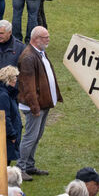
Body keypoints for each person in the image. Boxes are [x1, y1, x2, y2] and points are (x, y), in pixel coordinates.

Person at [16, 27, 61, 181]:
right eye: (45, 37)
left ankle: (29, 165)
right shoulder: (29, 57)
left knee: (37, 135)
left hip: (43, 103)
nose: (48, 39)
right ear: (36, 38)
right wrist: (35, 107)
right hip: (35, 106)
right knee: (30, 136)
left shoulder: (38, 52)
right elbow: (28, 86)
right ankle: (20, 168)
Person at [0, 65, 23, 162]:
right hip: (5, 138)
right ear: (9, 79)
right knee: (3, 164)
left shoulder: (5, 94)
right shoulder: (3, 96)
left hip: (5, 136)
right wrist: (12, 135)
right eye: (15, 77)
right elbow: (4, 118)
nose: (16, 80)